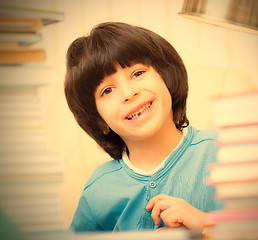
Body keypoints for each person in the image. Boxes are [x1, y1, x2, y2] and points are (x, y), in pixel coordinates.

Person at [65, 22, 221, 232]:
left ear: (166, 77)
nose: (129, 93)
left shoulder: (224, 152)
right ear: (98, 120)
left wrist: (207, 225)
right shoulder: (98, 190)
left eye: (137, 73)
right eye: (108, 90)